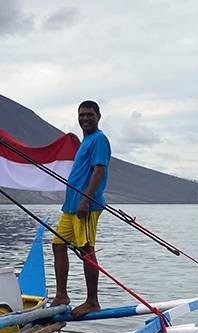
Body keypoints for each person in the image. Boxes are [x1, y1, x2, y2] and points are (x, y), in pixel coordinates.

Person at [51, 100, 111, 318]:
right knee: (58, 245)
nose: (85, 118)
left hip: (85, 205)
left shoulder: (99, 140)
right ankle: (61, 295)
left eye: (89, 115)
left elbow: (99, 171)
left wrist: (85, 200)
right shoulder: (86, 140)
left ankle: (93, 301)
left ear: (98, 116)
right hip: (71, 207)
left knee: (87, 250)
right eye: (81, 115)